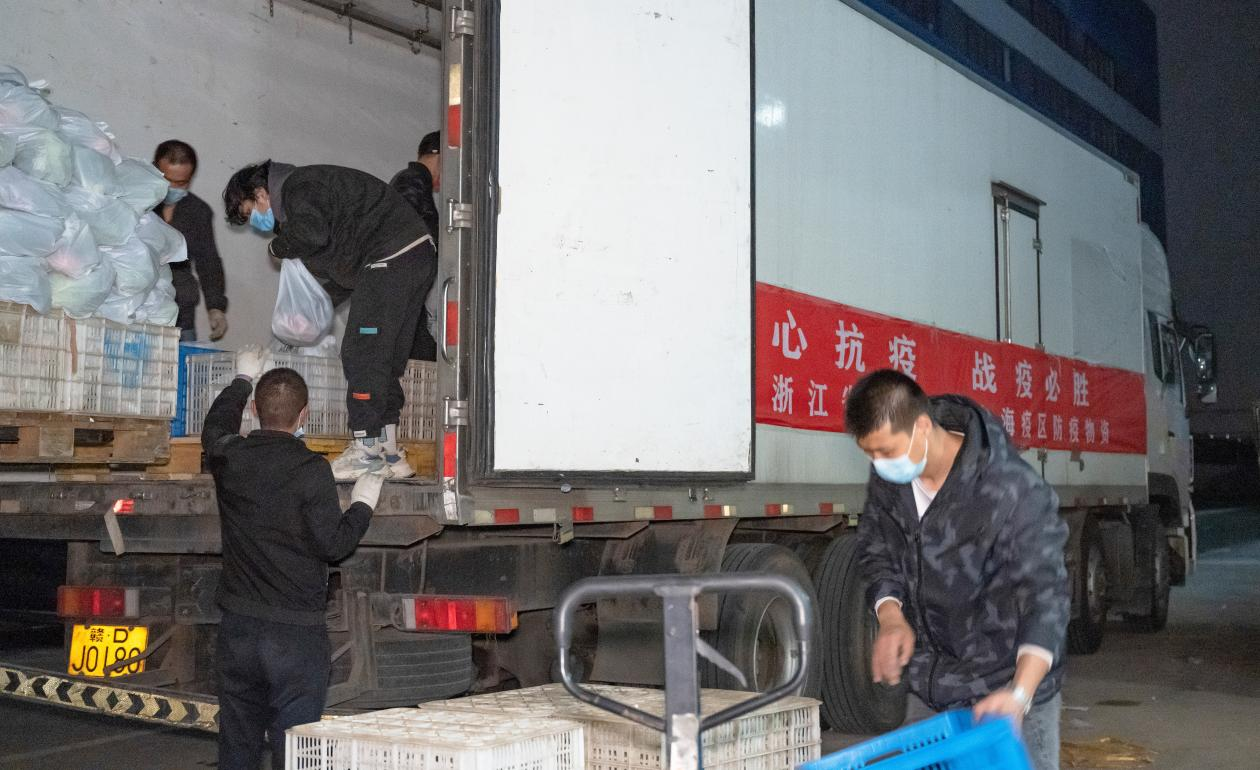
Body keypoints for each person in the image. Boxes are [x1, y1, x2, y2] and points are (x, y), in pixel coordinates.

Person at [846, 369, 1069, 770]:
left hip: (1004, 696)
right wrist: (891, 616)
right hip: (932, 692)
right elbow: (877, 549)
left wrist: (1019, 694)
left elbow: (1045, 598)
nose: (879, 464)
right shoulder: (891, 482)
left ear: (922, 426)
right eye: (869, 454)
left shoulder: (1010, 489)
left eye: (885, 451)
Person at [203, 346, 385, 770]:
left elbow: (215, 426)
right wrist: (362, 505)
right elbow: (333, 545)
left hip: (238, 632)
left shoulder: (230, 456)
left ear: (254, 411)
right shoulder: (311, 469)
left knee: (237, 747)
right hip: (295, 638)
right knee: (297, 751)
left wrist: (242, 378)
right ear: (304, 414)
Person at [222, 160, 436, 480]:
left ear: (261, 192)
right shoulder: (318, 192)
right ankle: (389, 452)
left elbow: (311, 234)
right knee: (386, 359)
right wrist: (316, 310)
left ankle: (366, 450)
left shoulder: (298, 186)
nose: (257, 222)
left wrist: (277, 247)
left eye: (251, 212)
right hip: (414, 256)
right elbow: (343, 272)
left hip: (390, 257)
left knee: (361, 354)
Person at [153, 140, 229, 342]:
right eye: (166, 180)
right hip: (135, 311)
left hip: (181, 315)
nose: (172, 188)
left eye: (181, 183)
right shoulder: (136, 205)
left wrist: (215, 307)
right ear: (154, 170)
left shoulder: (198, 212)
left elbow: (208, 261)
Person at [389, 131, 442, 361]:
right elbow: (403, 234)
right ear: (439, 156)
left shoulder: (413, 181)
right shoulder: (412, 181)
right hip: (406, 292)